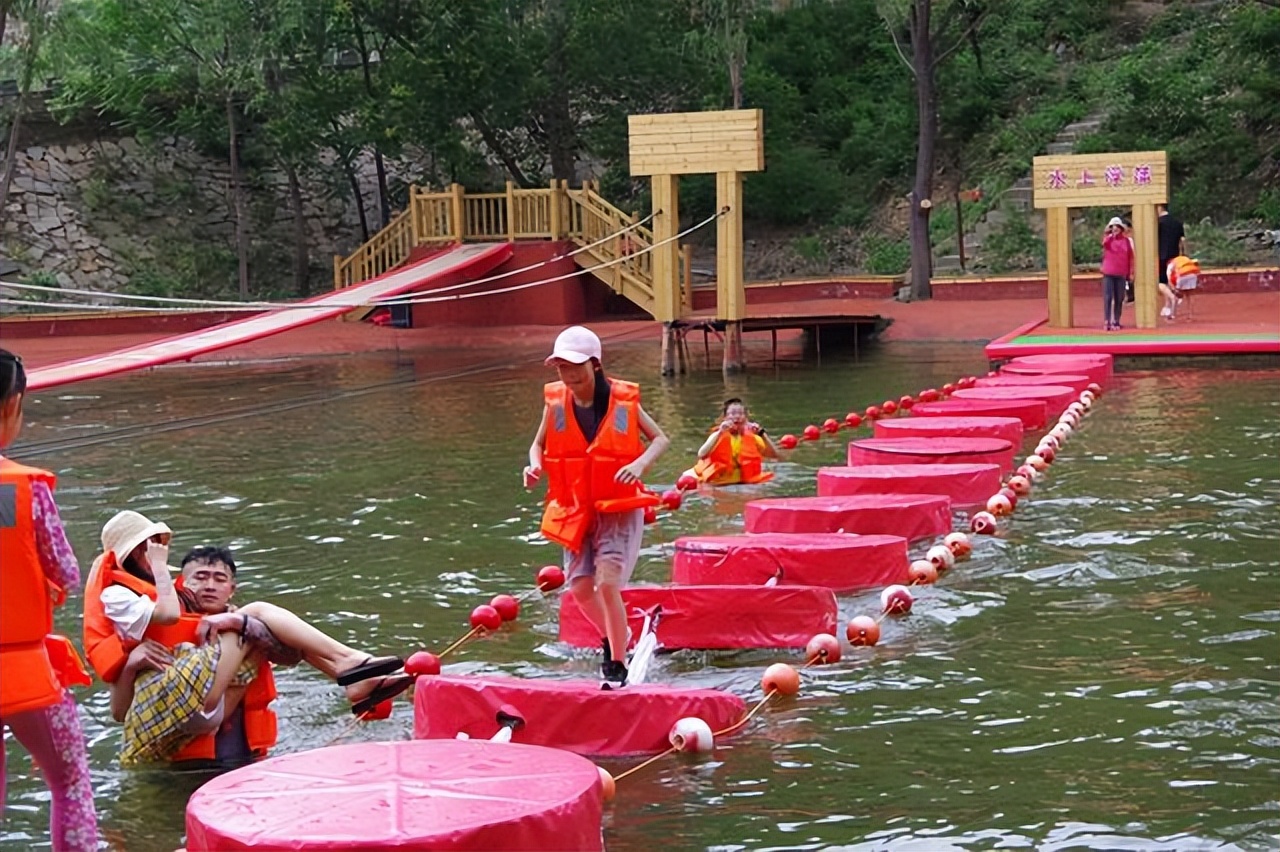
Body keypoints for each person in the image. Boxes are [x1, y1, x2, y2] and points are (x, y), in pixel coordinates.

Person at [83, 510, 410, 766]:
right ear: (182, 582)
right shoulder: (141, 610)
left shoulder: (243, 627)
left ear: (231, 588)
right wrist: (132, 663)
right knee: (256, 614)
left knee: (256, 622)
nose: (210, 585)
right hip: (184, 743)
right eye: (200, 578)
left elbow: (290, 653)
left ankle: (354, 675)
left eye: (219, 579)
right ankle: (351, 667)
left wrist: (241, 623)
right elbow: (119, 712)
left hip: (236, 748)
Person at [523, 326, 670, 686]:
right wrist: (533, 466)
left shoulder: (622, 401)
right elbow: (537, 445)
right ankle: (613, 637)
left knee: (607, 584)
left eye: (575, 367)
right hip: (575, 506)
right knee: (580, 588)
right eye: (561, 367)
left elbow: (661, 439)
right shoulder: (557, 402)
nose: (568, 375)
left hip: (617, 506)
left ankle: (616, 662)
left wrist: (638, 465)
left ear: (595, 365)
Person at [0, 348, 99, 852]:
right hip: (21, 667)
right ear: (10, 407)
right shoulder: (26, 490)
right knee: (69, 782)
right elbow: (65, 571)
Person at [692, 398, 779, 486]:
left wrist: (762, 434)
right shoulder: (717, 436)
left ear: (746, 418)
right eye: (733, 413)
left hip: (744, 484)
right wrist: (720, 432)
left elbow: (774, 456)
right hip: (718, 484)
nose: (737, 416)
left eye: (741, 413)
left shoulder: (754, 438)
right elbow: (701, 454)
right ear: (725, 418)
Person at [1101, 217, 1135, 331]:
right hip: (1108, 272)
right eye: (1113, 227)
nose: (1115, 229)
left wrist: (1130, 273)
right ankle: (1107, 320)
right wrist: (1110, 235)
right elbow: (1105, 244)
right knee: (1108, 297)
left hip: (1121, 273)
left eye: (1117, 227)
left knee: (1119, 297)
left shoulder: (1126, 241)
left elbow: (1130, 257)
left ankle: (1116, 320)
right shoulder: (1108, 239)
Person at [1157, 204, 1186, 293]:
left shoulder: (1158, 223)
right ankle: (1172, 299)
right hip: (1174, 256)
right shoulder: (1177, 222)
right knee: (1173, 279)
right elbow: (1182, 241)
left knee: (1162, 282)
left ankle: (1170, 300)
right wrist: (1183, 255)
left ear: (1159, 207)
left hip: (1160, 256)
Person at [1166, 254, 1201, 319]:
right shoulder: (1185, 259)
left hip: (1183, 275)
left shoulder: (1171, 264)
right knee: (1190, 296)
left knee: (1175, 295)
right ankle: (1190, 314)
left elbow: (1168, 277)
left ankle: (1172, 314)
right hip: (1193, 275)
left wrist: (1173, 289)